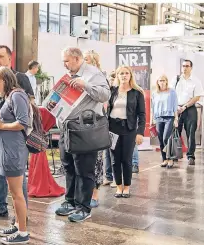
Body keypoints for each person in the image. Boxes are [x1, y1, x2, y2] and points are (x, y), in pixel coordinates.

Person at [0, 45, 34, 223]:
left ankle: (21, 214)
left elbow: (29, 106)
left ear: (10, 58)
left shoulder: (20, 79)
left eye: (0, 56)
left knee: (17, 175)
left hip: (13, 136)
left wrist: (6, 122)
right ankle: (0, 207)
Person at [55, 47, 110, 222]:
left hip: (84, 130)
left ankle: (83, 207)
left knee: (84, 170)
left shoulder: (93, 74)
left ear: (77, 59)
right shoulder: (68, 76)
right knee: (69, 166)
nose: (64, 64)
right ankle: (70, 201)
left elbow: (105, 94)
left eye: (66, 61)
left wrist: (85, 85)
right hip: (67, 128)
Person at [0, 66, 30, 244]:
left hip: (13, 150)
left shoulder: (17, 95)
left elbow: (22, 122)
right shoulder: (10, 96)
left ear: (4, 80)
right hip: (7, 150)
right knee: (14, 193)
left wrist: (2, 125)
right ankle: (18, 225)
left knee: (16, 194)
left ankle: (22, 233)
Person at [108, 66, 145, 198]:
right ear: (117, 76)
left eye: (126, 73)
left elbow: (141, 114)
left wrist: (140, 132)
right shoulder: (112, 91)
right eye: (121, 73)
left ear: (130, 75)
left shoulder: (137, 92)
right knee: (114, 160)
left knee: (126, 159)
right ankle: (118, 186)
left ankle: (127, 187)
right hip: (112, 128)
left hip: (129, 129)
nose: (124, 76)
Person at [170, 60, 204, 165]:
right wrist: (176, 108)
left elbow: (196, 97)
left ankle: (190, 156)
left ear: (191, 68)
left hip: (190, 109)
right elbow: (171, 94)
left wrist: (185, 106)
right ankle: (175, 155)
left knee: (191, 133)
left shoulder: (196, 81)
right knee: (175, 132)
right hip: (177, 109)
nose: (185, 68)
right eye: (183, 66)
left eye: (187, 66)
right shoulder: (176, 80)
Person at [83, 50, 105, 208]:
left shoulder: (99, 77)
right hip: (80, 123)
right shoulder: (79, 76)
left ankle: (95, 194)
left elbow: (102, 97)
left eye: (86, 60)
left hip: (95, 122)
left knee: (96, 160)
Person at [151, 75, 178, 168]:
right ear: (157, 82)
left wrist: (176, 118)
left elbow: (175, 105)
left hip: (169, 117)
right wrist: (152, 119)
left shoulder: (172, 92)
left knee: (166, 138)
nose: (162, 82)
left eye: (163, 80)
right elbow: (153, 107)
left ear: (166, 81)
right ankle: (164, 159)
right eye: (160, 80)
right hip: (158, 118)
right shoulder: (155, 93)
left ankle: (170, 159)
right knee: (160, 140)